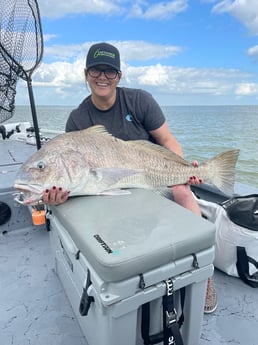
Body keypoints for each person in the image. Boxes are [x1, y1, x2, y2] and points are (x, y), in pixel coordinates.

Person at [43, 42, 217, 313]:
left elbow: (167, 139)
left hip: (153, 172)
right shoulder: (78, 119)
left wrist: (182, 168)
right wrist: (58, 193)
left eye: (110, 71)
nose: (103, 77)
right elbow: (75, 172)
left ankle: (204, 273)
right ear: (85, 74)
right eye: (96, 71)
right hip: (114, 189)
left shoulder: (139, 100)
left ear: (119, 76)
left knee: (183, 192)